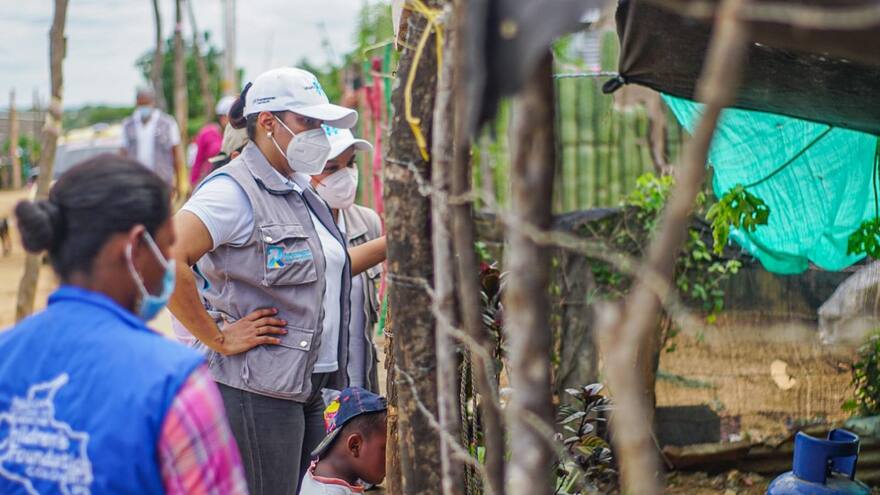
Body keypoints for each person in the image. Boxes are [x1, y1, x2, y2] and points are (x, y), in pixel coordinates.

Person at [169, 67, 387, 495]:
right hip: (258, 390)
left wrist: (393, 243)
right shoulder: (233, 191)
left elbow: (329, 268)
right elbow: (164, 257)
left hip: (310, 385)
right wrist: (217, 337)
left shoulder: (300, 188)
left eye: (321, 124)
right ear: (268, 123)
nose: (319, 134)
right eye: (308, 122)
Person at [0, 155, 248, 494]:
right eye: (166, 246)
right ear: (134, 249)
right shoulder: (175, 381)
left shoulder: (7, 352)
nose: (168, 264)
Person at [312, 126, 382, 392]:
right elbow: (328, 266)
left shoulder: (367, 223)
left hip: (359, 382)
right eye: (331, 168)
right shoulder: (295, 227)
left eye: (350, 163)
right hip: (312, 387)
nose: (346, 176)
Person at [301, 388, 387, 495]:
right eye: (386, 449)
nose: (391, 458)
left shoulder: (326, 476)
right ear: (355, 446)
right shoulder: (327, 492)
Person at [120, 88, 184, 196]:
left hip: (161, 181)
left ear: (153, 102)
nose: (144, 107)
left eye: (146, 103)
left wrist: (178, 182)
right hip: (135, 183)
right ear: (136, 103)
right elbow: (122, 155)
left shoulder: (168, 124)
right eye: (141, 104)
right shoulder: (128, 125)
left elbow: (176, 154)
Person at [190, 95, 237, 186]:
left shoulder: (240, 136)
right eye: (224, 117)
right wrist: (193, 182)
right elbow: (198, 161)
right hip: (210, 180)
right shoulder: (207, 133)